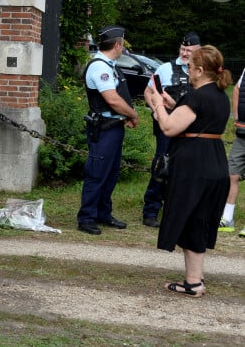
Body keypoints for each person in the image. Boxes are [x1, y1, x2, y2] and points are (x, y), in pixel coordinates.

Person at [150, 45, 232, 297]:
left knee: (190, 218)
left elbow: (169, 128)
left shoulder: (196, 96)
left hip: (194, 164)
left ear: (199, 70)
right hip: (215, 160)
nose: (187, 71)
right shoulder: (220, 95)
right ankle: (195, 277)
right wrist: (174, 104)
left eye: (189, 68)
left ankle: (194, 282)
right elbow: (200, 119)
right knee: (200, 218)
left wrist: (157, 104)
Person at [77, 25, 139, 235]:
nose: (123, 48)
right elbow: (112, 99)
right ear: (116, 44)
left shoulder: (109, 65)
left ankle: (103, 213)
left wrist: (125, 116)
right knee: (97, 173)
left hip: (113, 126)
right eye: (122, 44)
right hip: (103, 128)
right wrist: (132, 114)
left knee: (110, 173)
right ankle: (86, 217)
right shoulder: (100, 67)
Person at [142, 32, 201, 227]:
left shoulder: (201, 71)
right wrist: (155, 110)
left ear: (198, 51)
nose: (184, 54)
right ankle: (151, 210)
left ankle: (178, 211)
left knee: (187, 171)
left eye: (189, 51)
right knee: (162, 167)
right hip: (167, 129)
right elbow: (149, 92)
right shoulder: (165, 69)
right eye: (182, 49)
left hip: (192, 131)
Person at [219, 67, 245, 237]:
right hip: (242, 133)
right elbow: (237, 88)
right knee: (232, 174)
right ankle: (227, 219)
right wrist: (237, 117)